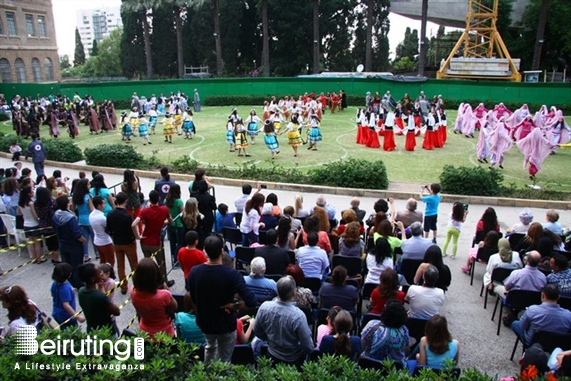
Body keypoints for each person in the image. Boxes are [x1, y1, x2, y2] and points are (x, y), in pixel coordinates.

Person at [188, 235, 257, 363]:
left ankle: (207, 373)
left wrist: (199, 313)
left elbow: (193, 299)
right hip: (225, 324)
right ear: (222, 251)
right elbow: (251, 301)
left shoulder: (194, 272)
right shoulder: (232, 274)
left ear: (204, 250)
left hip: (205, 322)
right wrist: (234, 306)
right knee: (225, 358)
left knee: (210, 347)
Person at [253, 276, 314, 367]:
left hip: (272, 355)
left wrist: (270, 339)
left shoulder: (264, 307)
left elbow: (257, 331)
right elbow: (308, 347)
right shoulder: (298, 316)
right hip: (293, 362)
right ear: (294, 293)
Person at [132, 190, 173, 287]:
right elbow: (170, 221)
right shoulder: (164, 209)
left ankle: (150, 283)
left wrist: (138, 236)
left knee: (148, 265)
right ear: (159, 198)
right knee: (160, 264)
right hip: (156, 242)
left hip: (145, 242)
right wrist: (162, 223)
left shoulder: (145, 211)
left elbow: (133, 224)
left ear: (149, 200)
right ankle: (164, 282)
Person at [131, 258, 178, 339]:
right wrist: (165, 289)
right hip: (165, 334)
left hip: (144, 332)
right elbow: (175, 306)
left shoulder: (132, 291)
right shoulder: (164, 295)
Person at [106, 192, 139, 295]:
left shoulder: (111, 214)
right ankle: (137, 285)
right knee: (134, 265)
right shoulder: (127, 216)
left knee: (120, 265)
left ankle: (123, 286)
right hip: (128, 242)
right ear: (125, 201)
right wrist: (134, 237)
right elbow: (131, 230)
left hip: (117, 242)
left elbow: (108, 229)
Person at [361, 299, 410, 365]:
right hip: (394, 370)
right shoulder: (404, 331)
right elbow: (405, 349)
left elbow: (363, 345)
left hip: (369, 365)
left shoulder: (372, 325)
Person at [53, 195, 87, 289]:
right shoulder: (71, 218)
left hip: (62, 243)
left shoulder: (56, 215)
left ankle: (70, 281)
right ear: (67, 204)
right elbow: (76, 234)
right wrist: (84, 240)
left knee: (67, 264)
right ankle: (79, 283)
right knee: (77, 265)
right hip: (74, 245)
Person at [77, 262, 120, 334]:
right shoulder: (100, 296)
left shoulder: (81, 291)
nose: (101, 274)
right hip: (106, 332)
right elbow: (117, 311)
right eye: (99, 273)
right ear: (93, 279)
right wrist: (101, 288)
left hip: (91, 329)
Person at [51, 263, 85, 329]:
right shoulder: (65, 288)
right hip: (66, 316)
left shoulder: (55, 283)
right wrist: (77, 317)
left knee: (63, 329)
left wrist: (71, 290)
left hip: (56, 312)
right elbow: (66, 305)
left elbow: (53, 294)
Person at [34, 186, 61, 264]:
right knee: (55, 243)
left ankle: (53, 258)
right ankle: (57, 259)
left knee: (49, 243)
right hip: (52, 224)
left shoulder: (36, 203)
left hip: (43, 225)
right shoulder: (51, 200)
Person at [71, 179, 96, 263]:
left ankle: (86, 255)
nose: (90, 186)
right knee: (93, 237)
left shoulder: (76, 195)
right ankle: (97, 253)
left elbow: (73, 208)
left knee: (84, 238)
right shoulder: (88, 196)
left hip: (81, 219)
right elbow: (92, 209)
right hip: (89, 219)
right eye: (88, 184)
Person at [17, 185, 43, 263]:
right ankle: (39, 258)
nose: (33, 193)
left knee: (30, 242)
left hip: (26, 224)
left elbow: (19, 213)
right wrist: (39, 219)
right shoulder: (30, 203)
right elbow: (35, 215)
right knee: (37, 242)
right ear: (28, 194)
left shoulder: (20, 203)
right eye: (31, 191)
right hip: (34, 224)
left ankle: (33, 258)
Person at [89, 196, 115, 266]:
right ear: (99, 205)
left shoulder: (91, 215)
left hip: (97, 240)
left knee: (102, 261)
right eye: (103, 203)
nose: (105, 205)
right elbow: (108, 228)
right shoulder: (101, 218)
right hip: (105, 241)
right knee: (110, 262)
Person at [165, 184, 185, 266]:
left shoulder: (166, 200)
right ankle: (177, 259)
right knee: (180, 242)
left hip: (170, 224)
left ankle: (173, 256)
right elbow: (182, 212)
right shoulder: (179, 201)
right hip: (179, 224)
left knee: (172, 242)